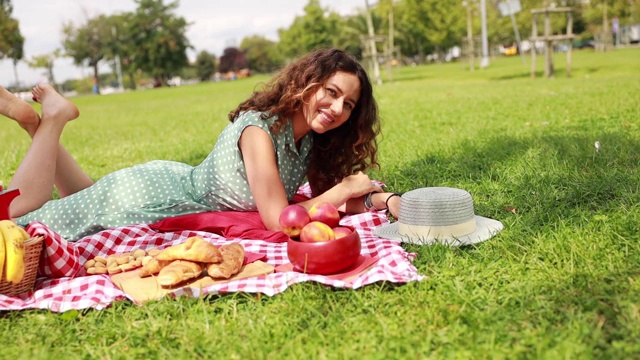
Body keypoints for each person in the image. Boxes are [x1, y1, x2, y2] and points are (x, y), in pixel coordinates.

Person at [0, 48, 401, 241]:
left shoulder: (309, 141)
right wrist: (348, 188)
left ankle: (36, 125)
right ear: (305, 84)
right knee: (17, 219)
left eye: (348, 104)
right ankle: (51, 117)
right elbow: (281, 218)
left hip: (162, 185)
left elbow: (320, 202)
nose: (336, 108)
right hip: (150, 198)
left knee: (83, 197)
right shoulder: (258, 130)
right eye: (330, 92)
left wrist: (381, 201)